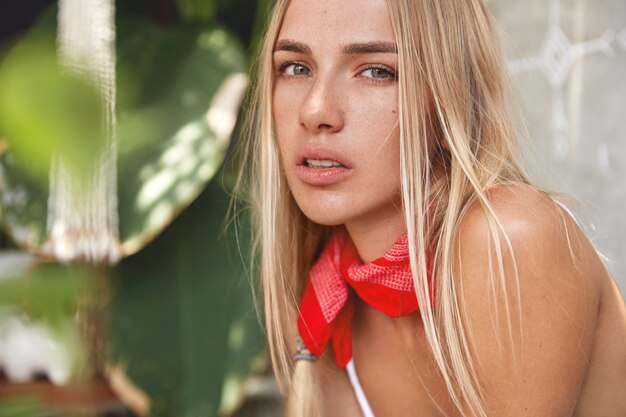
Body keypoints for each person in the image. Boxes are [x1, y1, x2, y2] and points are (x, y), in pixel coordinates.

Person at [234, 0, 626, 415]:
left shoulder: (509, 238)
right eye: (296, 67)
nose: (314, 110)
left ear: (447, 100)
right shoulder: (328, 297)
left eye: (376, 71)